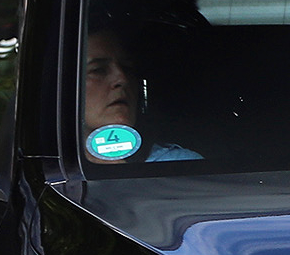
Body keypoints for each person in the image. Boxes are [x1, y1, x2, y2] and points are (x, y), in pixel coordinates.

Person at [82, 27, 201, 161]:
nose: (122, 79)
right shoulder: (55, 171)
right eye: (98, 70)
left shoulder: (178, 165)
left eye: (127, 68)